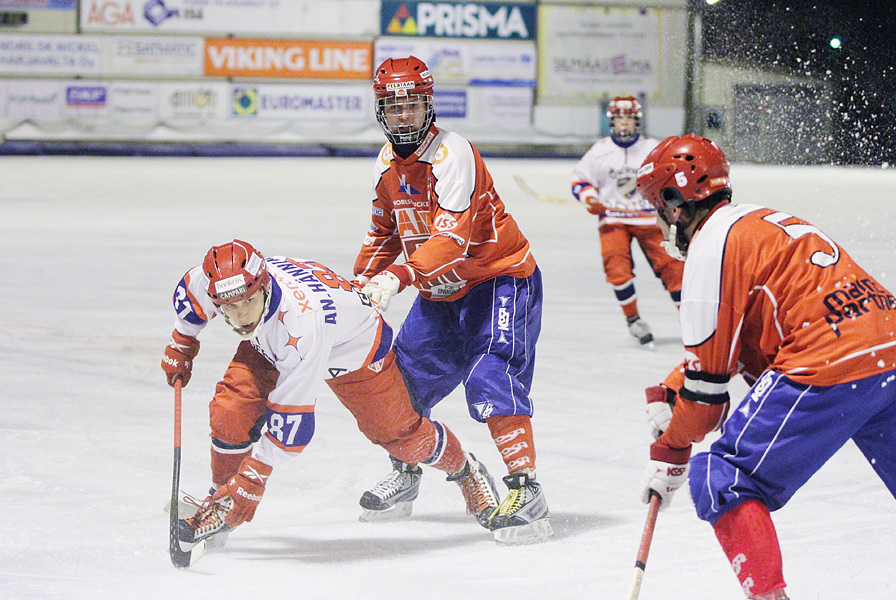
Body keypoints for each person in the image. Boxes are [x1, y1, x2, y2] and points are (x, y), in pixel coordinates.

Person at [634, 134, 896, 599]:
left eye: (659, 205)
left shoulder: (708, 246)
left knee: (724, 476)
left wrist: (673, 450)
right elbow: (750, 340)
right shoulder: (758, 221)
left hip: (830, 361)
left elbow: (706, 399)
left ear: (677, 202)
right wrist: (677, 387)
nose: (659, 223)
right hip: (890, 348)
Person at [160, 239, 500, 547]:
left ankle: (465, 470)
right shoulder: (226, 281)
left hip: (353, 352)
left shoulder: (303, 325)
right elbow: (192, 293)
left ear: (264, 284)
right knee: (230, 411)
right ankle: (220, 503)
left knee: (403, 438)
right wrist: (182, 339)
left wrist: (252, 478)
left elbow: (293, 429)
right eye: (229, 308)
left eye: (248, 302)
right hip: (277, 343)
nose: (242, 315)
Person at [351, 56, 552, 545]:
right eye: (392, 107)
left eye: (412, 105)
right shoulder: (386, 164)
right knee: (400, 389)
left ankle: (527, 489)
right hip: (440, 292)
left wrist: (396, 278)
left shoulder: (452, 153)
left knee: (491, 377)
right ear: (381, 111)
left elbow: (451, 240)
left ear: (428, 106)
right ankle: (406, 470)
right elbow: (384, 233)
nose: (403, 116)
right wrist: (356, 284)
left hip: (498, 282)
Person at [570, 96, 683, 345]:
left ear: (637, 122)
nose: (624, 123)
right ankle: (633, 320)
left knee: (675, 269)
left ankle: (690, 321)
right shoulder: (600, 151)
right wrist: (590, 198)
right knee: (617, 270)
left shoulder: (653, 149)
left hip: (651, 220)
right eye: (620, 118)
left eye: (629, 118)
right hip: (613, 220)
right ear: (611, 121)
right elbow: (580, 180)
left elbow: (673, 179)